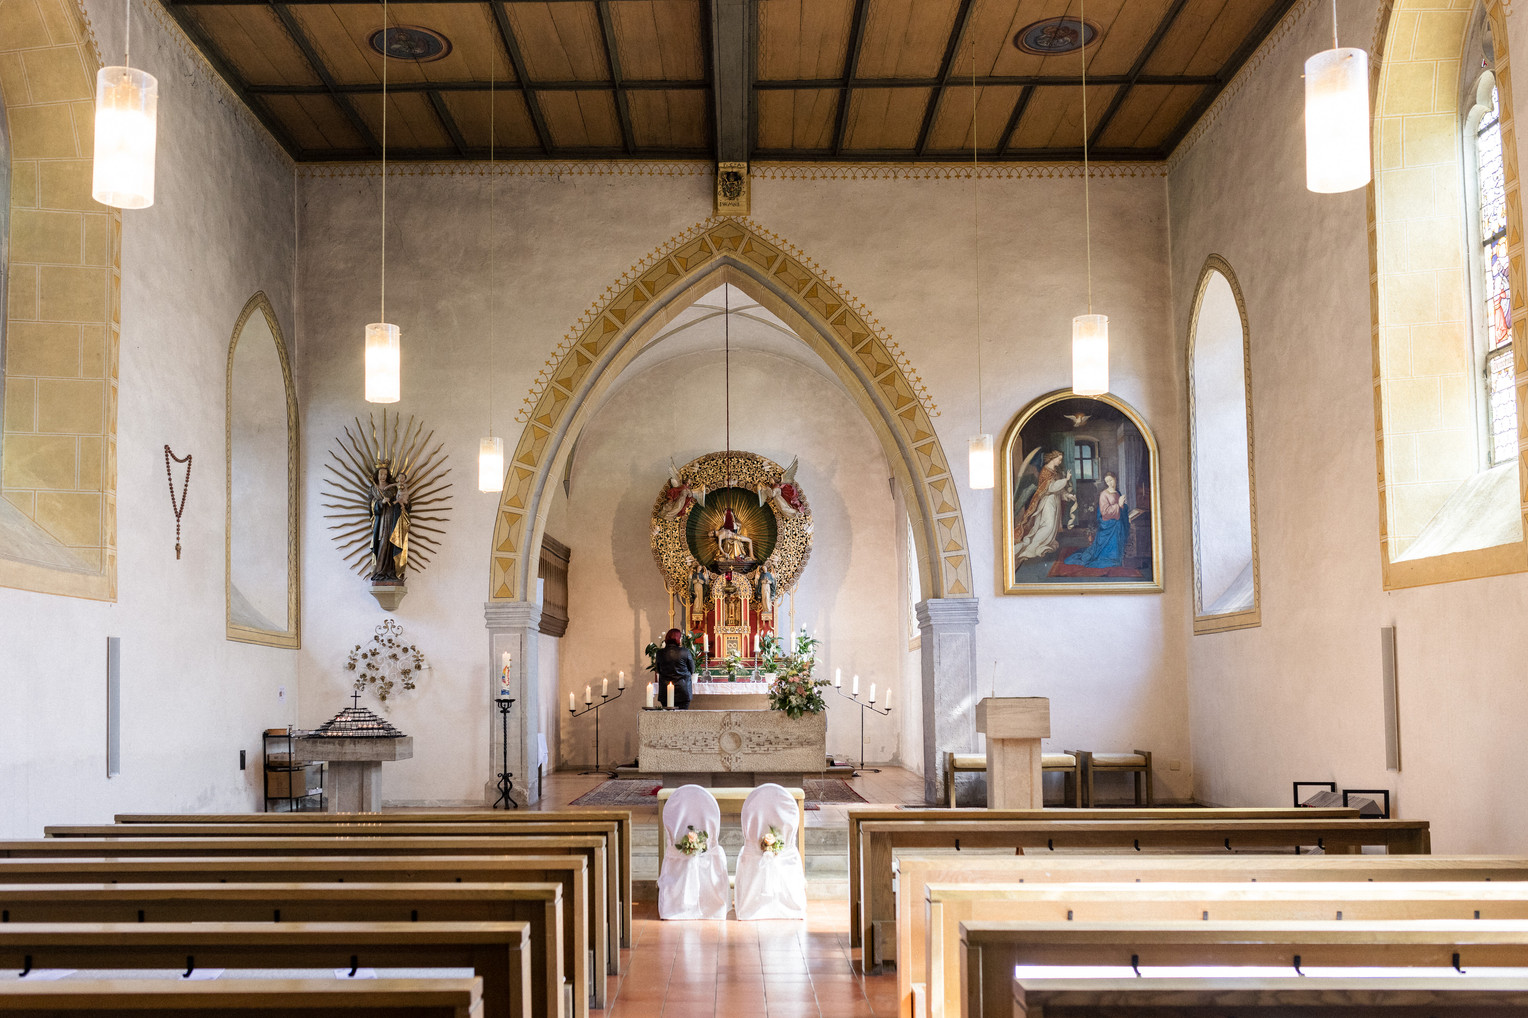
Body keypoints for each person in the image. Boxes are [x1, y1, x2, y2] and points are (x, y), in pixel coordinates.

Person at [1064, 472, 1142, 569]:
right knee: (1106, 556)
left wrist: (1123, 506)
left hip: (1117, 523)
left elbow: (1122, 509)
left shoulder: (1117, 493)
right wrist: (1119, 505)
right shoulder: (1104, 494)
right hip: (1108, 524)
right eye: (1107, 481)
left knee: (1120, 528)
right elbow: (1105, 512)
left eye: (1111, 480)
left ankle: (1117, 556)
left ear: (1115, 479)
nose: (1109, 483)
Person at [1012, 450, 1074, 566]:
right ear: (1053, 458)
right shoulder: (1045, 471)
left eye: (1061, 460)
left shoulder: (1054, 471)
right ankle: (1031, 547)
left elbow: (1058, 489)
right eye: (1059, 459)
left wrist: (1067, 495)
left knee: (1051, 526)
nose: (1060, 462)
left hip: (1054, 501)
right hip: (1047, 502)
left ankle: (1040, 545)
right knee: (1048, 525)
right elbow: (1051, 488)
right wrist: (1065, 480)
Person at [369, 461, 410, 581]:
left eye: (385, 474)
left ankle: (392, 572)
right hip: (381, 521)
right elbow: (371, 508)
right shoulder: (373, 489)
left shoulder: (393, 487)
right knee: (382, 544)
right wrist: (380, 503)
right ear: (377, 475)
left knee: (393, 542)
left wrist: (403, 502)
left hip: (393, 519)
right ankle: (380, 572)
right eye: (381, 474)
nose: (383, 477)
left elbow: (403, 498)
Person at [653, 628, 696, 710]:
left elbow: (658, 670)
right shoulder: (685, 652)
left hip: (665, 691)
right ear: (678, 639)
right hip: (683, 690)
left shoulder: (660, 653)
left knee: (668, 719)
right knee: (682, 718)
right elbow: (692, 669)